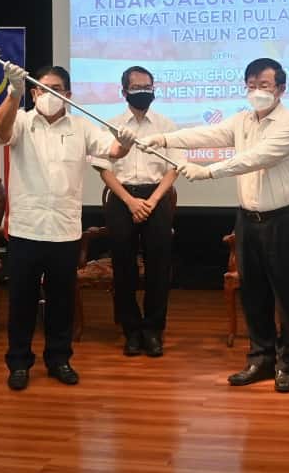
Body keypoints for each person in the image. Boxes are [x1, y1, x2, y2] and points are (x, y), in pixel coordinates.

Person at [141, 58, 289, 393]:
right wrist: (163, 139)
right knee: (254, 293)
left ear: (281, 89)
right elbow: (208, 134)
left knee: (287, 294)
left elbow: (257, 157)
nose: (257, 92)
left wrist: (208, 171)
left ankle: (286, 363)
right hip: (248, 220)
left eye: (265, 85)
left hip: (284, 220)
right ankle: (260, 358)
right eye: (251, 85)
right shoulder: (242, 120)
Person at [0, 64, 136, 391]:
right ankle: (19, 362)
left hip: (64, 230)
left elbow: (113, 150)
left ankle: (59, 358)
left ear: (69, 95)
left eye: (56, 88)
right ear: (33, 92)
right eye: (42, 88)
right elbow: (1, 132)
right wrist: (13, 92)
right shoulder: (21, 121)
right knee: (21, 301)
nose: (48, 94)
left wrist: (126, 143)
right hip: (26, 228)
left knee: (62, 301)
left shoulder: (82, 128)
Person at [90, 66, 182, 358]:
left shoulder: (166, 124)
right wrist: (130, 201)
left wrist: (152, 202)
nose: (144, 92)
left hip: (156, 197)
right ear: (124, 91)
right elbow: (103, 168)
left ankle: (153, 330)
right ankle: (131, 331)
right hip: (121, 198)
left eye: (148, 86)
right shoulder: (111, 124)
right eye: (137, 87)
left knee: (158, 268)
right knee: (124, 268)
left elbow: (173, 168)